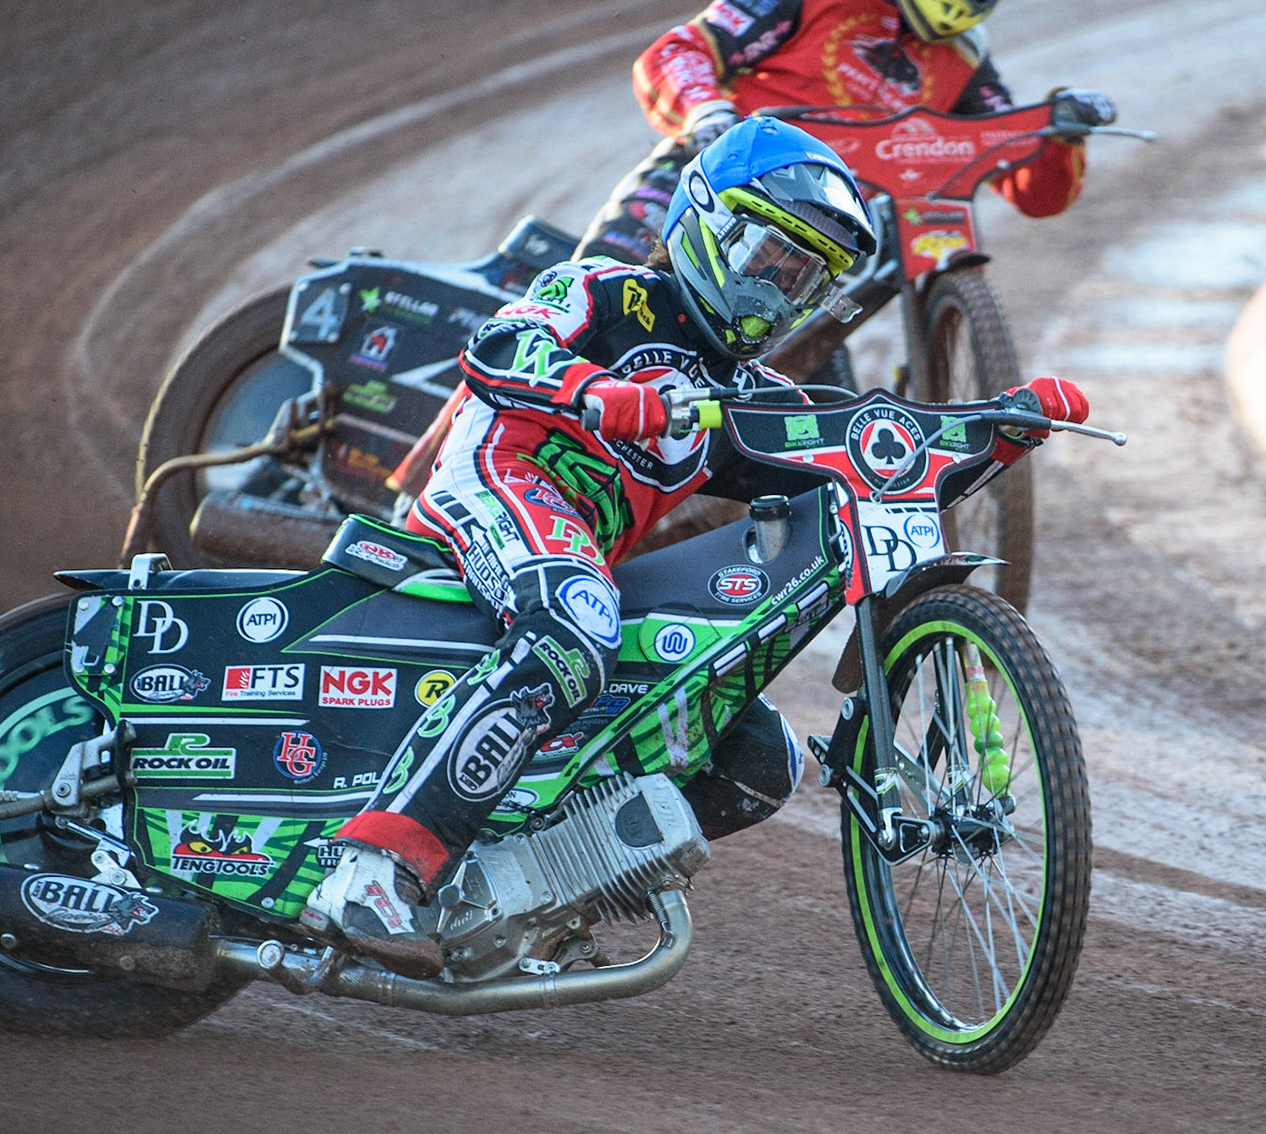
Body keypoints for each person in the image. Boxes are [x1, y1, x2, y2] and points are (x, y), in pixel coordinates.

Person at [302, 117, 1091, 977]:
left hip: (580, 556)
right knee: (577, 619)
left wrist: (993, 431)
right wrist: (601, 392)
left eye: (801, 282)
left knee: (758, 759)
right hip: (497, 480)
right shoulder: (608, 292)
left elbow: (858, 460)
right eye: (767, 258)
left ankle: (528, 882)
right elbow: (495, 348)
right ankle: (373, 865)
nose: (775, 293)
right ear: (705, 223)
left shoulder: (751, 394)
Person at [576, 0, 1117, 265]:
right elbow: (677, 53)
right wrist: (706, 113)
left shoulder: (966, 57)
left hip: (840, 226)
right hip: (716, 177)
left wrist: (1059, 133)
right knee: (601, 287)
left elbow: (1024, 183)